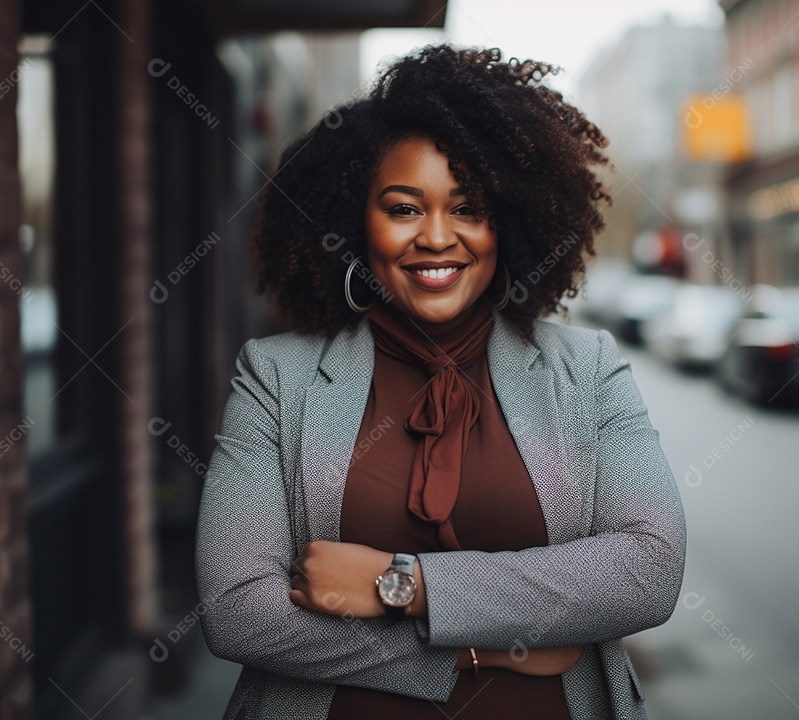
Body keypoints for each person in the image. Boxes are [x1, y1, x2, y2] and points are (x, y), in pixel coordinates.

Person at [196, 44, 686, 720]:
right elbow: (237, 612)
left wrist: (402, 584)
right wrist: (486, 649)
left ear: (507, 222)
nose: (435, 236)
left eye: (468, 207)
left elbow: (647, 570)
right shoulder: (276, 377)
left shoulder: (588, 369)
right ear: (355, 223)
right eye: (403, 208)